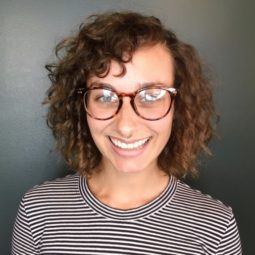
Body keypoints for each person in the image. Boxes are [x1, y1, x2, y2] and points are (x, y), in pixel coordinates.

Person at [11, 11, 242, 254]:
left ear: (178, 106)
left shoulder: (215, 228)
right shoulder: (37, 212)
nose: (126, 126)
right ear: (82, 106)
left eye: (152, 96)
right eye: (105, 96)